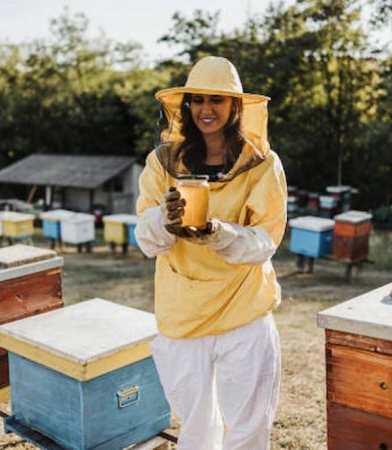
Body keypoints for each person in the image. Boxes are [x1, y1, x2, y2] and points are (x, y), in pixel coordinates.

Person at [134, 56, 288, 450]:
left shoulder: (263, 166)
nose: (206, 110)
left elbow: (265, 242)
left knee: (248, 427)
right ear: (185, 106)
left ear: (236, 107)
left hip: (244, 311)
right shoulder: (161, 164)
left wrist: (218, 232)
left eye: (217, 101)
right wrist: (162, 223)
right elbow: (146, 238)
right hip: (182, 312)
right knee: (197, 427)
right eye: (197, 100)